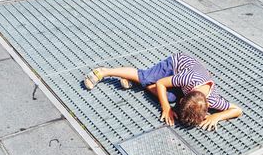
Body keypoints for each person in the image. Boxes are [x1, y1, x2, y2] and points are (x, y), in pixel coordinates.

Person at [84, 53, 242, 131]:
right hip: (175, 64)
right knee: (146, 77)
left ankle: (137, 81)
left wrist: (217, 116)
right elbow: (161, 83)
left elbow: (237, 110)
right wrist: (166, 108)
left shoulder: (213, 100)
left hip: (183, 83)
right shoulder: (187, 79)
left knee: (168, 96)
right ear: (183, 100)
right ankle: (105, 71)